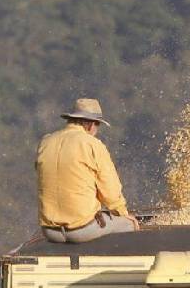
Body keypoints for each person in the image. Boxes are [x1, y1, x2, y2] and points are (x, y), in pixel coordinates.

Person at [36, 98, 139, 243]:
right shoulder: (92, 144)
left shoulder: (46, 142)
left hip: (50, 231)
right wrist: (122, 213)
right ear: (91, 124)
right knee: (129, 225)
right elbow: (110, 190)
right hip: (81, 230)